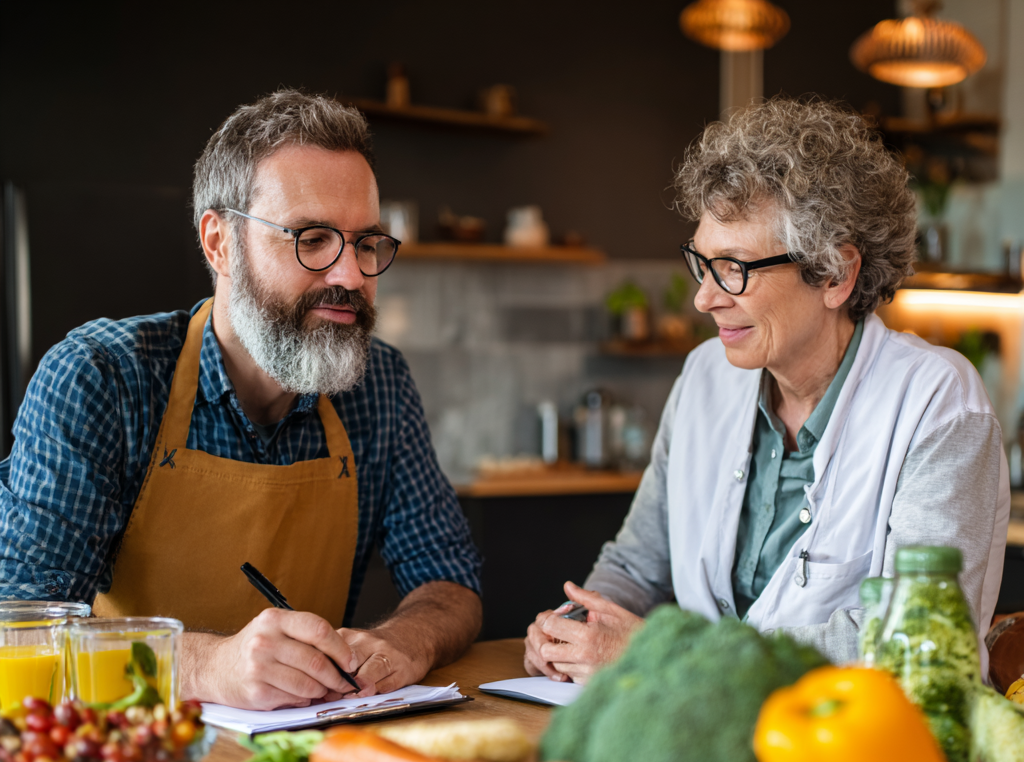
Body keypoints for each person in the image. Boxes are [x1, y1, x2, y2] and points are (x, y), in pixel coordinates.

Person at [0, 90, 482, 709]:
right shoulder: (103, 377)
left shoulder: (380, 384)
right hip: (126, 759)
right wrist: (205, 667)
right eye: (311, 238)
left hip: (302, 753)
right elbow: (17, 629)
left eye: (365, 243)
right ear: (219, 243)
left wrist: (404, 642)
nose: (352, 277)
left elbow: (450, 584)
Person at [525, 97, 1010, 683]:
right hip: (715, 741)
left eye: (736, 268)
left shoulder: (938, 403)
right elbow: (638, 567)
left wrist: (666, 654)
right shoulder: (706, 375)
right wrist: (574, 628)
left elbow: (919, 644)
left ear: (835, 273)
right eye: (701, 264)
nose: (706, 297)